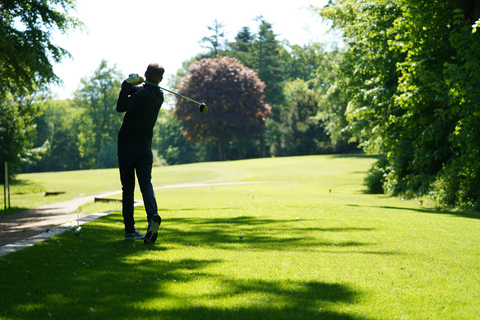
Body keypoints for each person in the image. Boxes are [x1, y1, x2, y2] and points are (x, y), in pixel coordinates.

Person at [116, 63, 164, 243]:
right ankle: (152, 216)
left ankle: (130, 230)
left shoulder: (142, 94)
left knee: (128, 189)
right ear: (160, 79)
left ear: (146, 74)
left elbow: (121, 106)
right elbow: (139, 92)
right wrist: (133, 84)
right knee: (146, 185)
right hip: (145, 147)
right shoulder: (159, 96)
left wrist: (128, 83)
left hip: (127, 146)